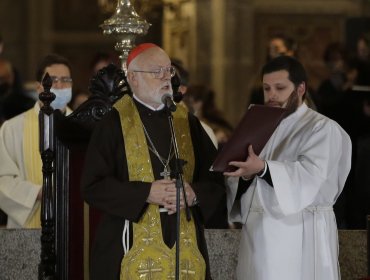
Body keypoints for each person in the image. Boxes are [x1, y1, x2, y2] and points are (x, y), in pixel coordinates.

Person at [81, 43, 226, 280]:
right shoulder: (114, 122)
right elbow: (92, 186)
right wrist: (146, 192)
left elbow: (217, 181)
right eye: (156, 71)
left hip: (185, 245)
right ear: (133, 78)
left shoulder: (187, 122)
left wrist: (193, 194)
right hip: (126, 245)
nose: (165, 77)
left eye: (168, 70)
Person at [225, 55, 351, 280]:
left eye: (280, 88)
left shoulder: (322, 129)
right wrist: (242, 174)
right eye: (266, 88)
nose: (271, 95)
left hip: (301, 232)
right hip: (257, 236)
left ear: (301, 88)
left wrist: (262, 168)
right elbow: (247, 176)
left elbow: (310, 177)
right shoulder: (259, 125)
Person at [0, 54, 73, 228]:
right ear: (38, 86)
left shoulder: (81, 127)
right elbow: (2, 179)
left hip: (72, 224)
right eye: (53, 80)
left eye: (66, 80)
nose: (60, 86)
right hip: (26, 227)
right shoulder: (13, 128)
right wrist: (39, 193)